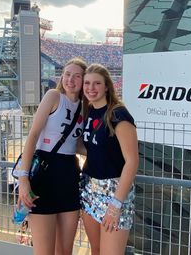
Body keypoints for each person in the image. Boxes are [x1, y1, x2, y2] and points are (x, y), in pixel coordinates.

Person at [18, 57, 87, 255]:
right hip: (44, 173)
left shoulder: (84, 107)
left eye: (77, 76)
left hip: (69, 174)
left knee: (65, 251)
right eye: (67, 74)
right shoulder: (54, 96)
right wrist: (24, 179)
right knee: (44, 251)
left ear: (83, 80)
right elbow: (33, 135)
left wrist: (107, 154)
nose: (70, 80)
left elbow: (77, 144)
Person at [80, 63, 139, 255]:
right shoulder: (88, 112)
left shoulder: (118, 114)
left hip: (115, 193)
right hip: (89, 189)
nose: (91, 88)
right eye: (87, 83)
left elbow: (132, 161)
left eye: (97, 83)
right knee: (95, 250)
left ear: (107, 86)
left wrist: (116, 204)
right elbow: (92, 148)